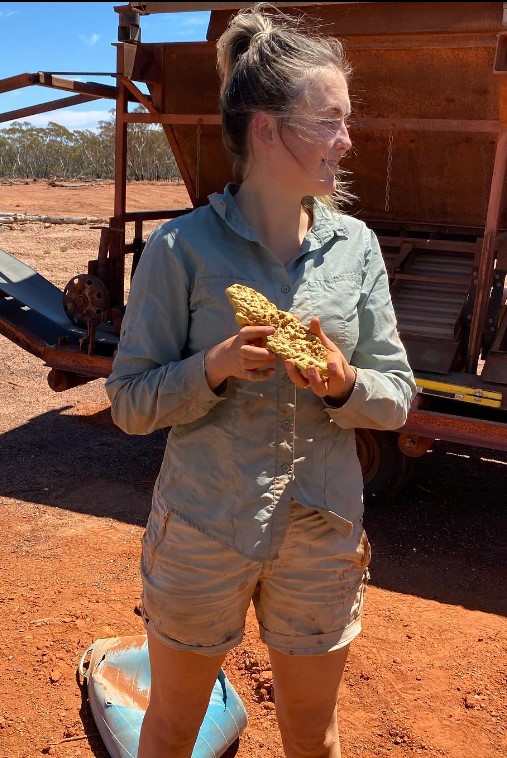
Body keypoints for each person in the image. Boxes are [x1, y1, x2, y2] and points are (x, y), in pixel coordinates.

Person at [105, 3, 416, 756]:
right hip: (203, 530)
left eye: (347, 122)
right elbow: (128, 403)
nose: (347, 141)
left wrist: (344, 384)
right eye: (329, 122)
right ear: (267, 129)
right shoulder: (181, 250)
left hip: (321, 534)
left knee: (312, 732)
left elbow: (397, 395)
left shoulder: (356, 249)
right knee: (173, 725)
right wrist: (209, 369)